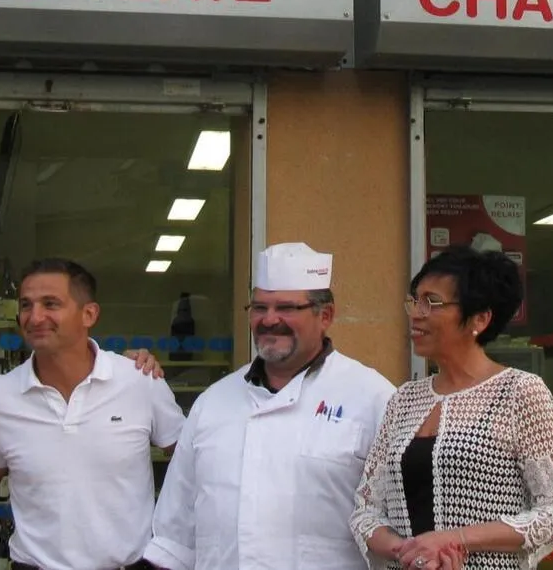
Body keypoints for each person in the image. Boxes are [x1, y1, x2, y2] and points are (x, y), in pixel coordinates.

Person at [144, 242, 396, 570]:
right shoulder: (214, 402)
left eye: (287, 308)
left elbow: (402, 519)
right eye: (259, 307)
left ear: (326, 316)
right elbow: (175, 532)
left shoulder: (373, 397)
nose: (269, 319)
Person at [349, 245, 553, 570]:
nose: (416, 313)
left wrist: (456, 539)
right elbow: (366, 509)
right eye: (415, 300)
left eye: (432, 302)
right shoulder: (404, 400)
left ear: (480, 318)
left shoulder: (520, 393)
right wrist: (410, 552)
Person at [0, 258, 186, 570]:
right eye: (26, 305)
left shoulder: (139, 381)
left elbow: (192, 470)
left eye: (50, 304)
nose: (35, 317)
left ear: (89, 314)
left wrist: (174, 550)